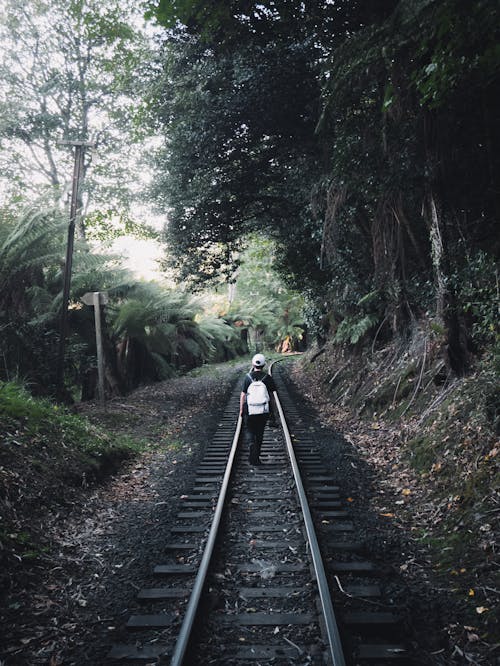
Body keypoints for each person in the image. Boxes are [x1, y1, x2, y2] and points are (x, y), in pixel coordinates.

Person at [239, 353, 276, 465]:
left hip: (249, 410)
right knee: (259, 433)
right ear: (264, 365)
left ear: (252, 364)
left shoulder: (247, 377)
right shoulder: (267, 378)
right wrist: (273, 411)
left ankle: (251, 443)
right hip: (262, 411)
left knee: (249, 430)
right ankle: (256, 458)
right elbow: (272, 396)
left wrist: (241, 409)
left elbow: (243, 395)